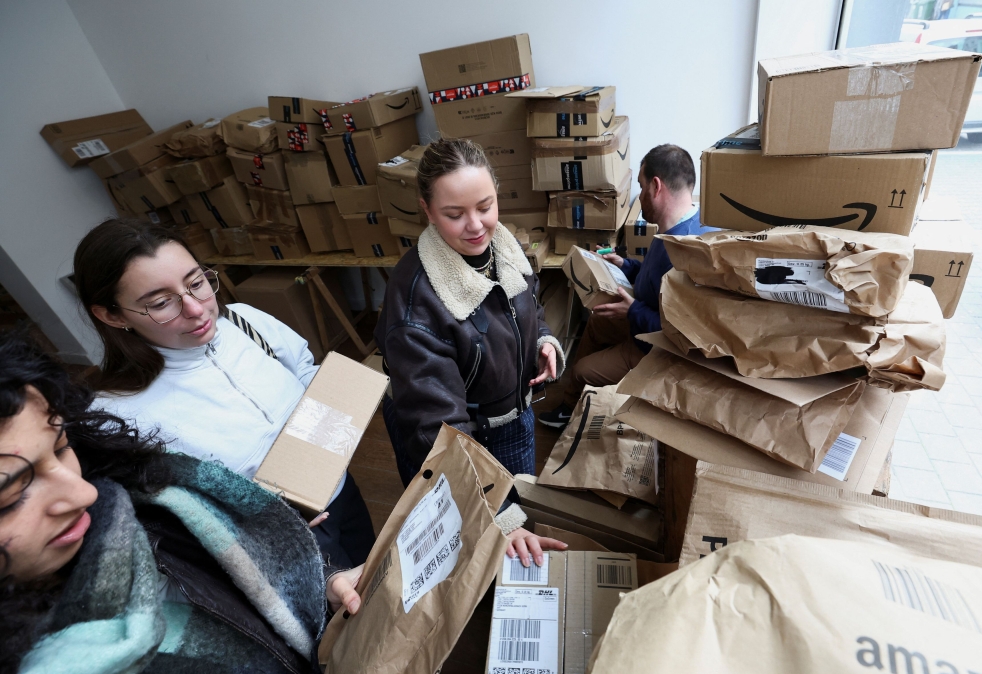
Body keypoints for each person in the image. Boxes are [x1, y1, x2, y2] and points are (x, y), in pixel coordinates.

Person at [0, 331, 565, 674]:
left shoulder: (147, 487)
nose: (81, 493)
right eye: (12, 491)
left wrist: (323, 577)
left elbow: (249, 553)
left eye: (61, 447)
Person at [73, 218, 372, 572]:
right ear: (111, 314)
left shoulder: (245, 322)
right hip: (274, 548)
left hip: (339, 489)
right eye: (160, 302)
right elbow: (165, 523)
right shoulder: (116, 416)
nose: (197, 309)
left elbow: (305, 373)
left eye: (197, 283)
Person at [375, 139, 566, 485]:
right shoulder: (416, 301)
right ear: (428, 211)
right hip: (467, 443)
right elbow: (436, 430)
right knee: (483, 532)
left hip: (514, 417)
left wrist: (542, 340)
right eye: (455, 214)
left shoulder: (503, 247)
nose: (476, 225)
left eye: (485, 206)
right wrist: (489, 507)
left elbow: (527, 302)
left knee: (524, 515)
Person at [538, 144, 718, 429]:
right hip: (643, 321)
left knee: (583, 371)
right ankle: (571, 404)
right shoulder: (678, 227)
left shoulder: (690, 252)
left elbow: (684, 334)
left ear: (656, 187)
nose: (640, 194)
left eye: (641, 185)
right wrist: (625, 265)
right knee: (598, 320)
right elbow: (654, 279)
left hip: (658, 348)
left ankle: (575, 400)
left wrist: (632, 311)